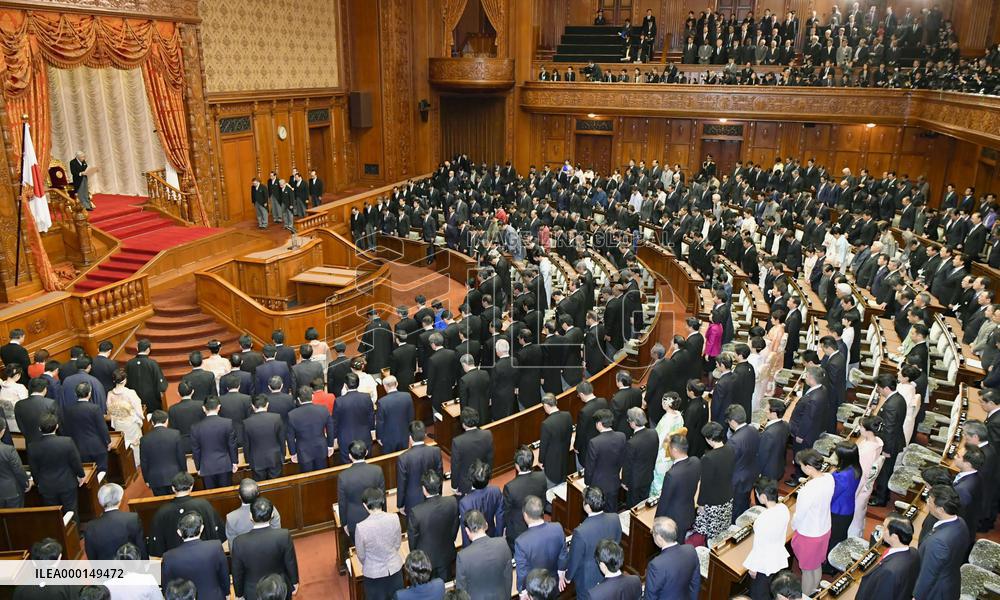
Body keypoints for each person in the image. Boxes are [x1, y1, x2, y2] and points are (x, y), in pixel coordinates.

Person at [558, 487, 622, 600]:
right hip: (610, 570)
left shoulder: (580, 532)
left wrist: (568, 577)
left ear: (587, 506)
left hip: (588, 580)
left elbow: (574, 559)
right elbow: (617, 542)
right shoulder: (615, 518)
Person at [231, 498, 299, 600]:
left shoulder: (239, 542)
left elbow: (237, 572)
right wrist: (294, 582)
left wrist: (239, 594)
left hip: (252, 591)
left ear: (250, 516)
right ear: (272, 515)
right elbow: (290, 562)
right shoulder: (283, 535)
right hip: (280, 588)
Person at [790, 449, 834, 595]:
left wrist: (793, 525)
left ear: (808, 468)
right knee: (816, 565)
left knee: (807, 571)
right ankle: (814, 592)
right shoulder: (829, 478)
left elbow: (800, 515)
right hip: (824, 529)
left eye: (801, 465)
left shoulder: (807, 490)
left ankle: (805, 595)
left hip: (809, 534)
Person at [148, 472, 225, 556]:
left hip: (175, 559)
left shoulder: (162, 511)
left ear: (173, 488)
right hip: (204, 555)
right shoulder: (204, 504)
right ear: (191, 487)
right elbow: (217, 532)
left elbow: (157, 546)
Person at [914, 485, 969, 600]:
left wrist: (916, 596)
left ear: (940, 510)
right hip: (951, 581)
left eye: (930, 501)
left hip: (936, 592)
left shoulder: (938, 542)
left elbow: (928, 575)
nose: (927, 502)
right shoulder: (961, 522)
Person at [161, 512, 230, 600]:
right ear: (202, 528)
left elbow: (167, 587)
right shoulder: (215, 546)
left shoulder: (168, 557)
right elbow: (224, 574)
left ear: (179, 532)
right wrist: (227, 593)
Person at [27, 413, 84, 517]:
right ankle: (75, 533)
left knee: (54, 516)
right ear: (57, 426)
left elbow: (34, 469)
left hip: (47, 486)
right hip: (67, 483)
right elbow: (75, 461)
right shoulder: (67, 442)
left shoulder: (32, 446)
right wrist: (81, 475)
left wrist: (37, 482)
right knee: (71, 512)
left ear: (39, 428)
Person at [408, 470, 460, 582]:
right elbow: (455, 527)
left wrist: (416, 557)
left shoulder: (416, 512)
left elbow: (413, 541)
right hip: (446, 554)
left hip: (426, 561)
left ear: (424, 489)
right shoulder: (452, 502)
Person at [743, 478, 790, 600]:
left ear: (763, 497)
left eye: (757, 494)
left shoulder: (763, 519)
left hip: (764, 565)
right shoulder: (784, 508)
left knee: (758, 595)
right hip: (778, 558)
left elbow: (759, 546)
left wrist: (753, 568)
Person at [355, 487, 404, 600]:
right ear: (383, 501)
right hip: (395, 570)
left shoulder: (361, 527)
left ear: (365, 505)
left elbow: (361, 555)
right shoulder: (394, 518)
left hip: (373, 575)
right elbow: (397, 543)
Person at [855, 516, 920, 600]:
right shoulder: (914, 552)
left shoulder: (889, 571)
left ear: (894, 537)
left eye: (885, 529)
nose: (882, 531)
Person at [691, 422, 734, 545]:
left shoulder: (708, 458)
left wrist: (700, 504)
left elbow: (705, 484)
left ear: (710, 439)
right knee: (721, 531)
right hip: (727, 496)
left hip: (713, 502)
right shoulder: (730, 449)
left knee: (709, 535)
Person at [455, 510, 514, 600]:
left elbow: (461, 590)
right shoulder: (503, 543)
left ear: (467, 530)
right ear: (486, 525)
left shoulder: (463, 557)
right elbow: (508, 577)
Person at [514, 495, 564, 594]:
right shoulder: (557, 528)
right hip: (554, 584)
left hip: (535, 590)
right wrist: (561, 571)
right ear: (542, 512)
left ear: (525, 515)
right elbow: (563, 555)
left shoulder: (521, 542)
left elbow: (522, 572)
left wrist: (522, 591)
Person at [84, 483, 146, 560]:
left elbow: (91, 557)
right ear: (120, 500)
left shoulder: (90, 527)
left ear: (100, 502)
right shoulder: (132, 518)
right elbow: (141, 547)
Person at [643, 517, 701, 600]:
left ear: (659, 538)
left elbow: (650, 596)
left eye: (653, 533)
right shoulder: (691, 550)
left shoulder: (656, 565)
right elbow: (695, 583)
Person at [339, 441, 385, 539]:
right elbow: (382, 495)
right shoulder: (377, 470)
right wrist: (383, 514)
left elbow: (342, 503)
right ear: (367, 452)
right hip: (375, 515)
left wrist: (344, 523)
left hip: (354, 520)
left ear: (350, 456)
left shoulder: (343, 476)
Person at [502, 446, 547, 548]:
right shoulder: (541, 477)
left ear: (517, 466)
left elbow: (506, 513)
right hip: (537, 521)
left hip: (517, 532)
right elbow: (542, 501)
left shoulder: (510, 487)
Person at [396, 420, 443, 516]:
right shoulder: (435, 451)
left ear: (410, 437)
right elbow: (439, 475)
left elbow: (402, 483)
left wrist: (400, 504)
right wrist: (438, 494)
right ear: (425, 435)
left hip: (412, 501)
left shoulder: (403, 458)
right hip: (432, 495)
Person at [190, 397, 237, 489]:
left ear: (204, 408)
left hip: (206, 467)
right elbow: (232, 445)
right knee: (226, 494)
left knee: (211, 496)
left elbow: (196, 450)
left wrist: (198, 467)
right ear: (219, 407)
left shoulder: (195, 427)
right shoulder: (227, 423)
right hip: (224, 465)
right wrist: (234, 462)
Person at [584, 409, 626, 512]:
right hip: (614, 482)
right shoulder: (621, 436)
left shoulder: (594, 442)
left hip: (598, 487)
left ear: (599, 424)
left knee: (597, 513)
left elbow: (590, 466)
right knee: (612, 511)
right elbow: (623, 458)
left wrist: (587, 483)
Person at [827, 441, 862, 564]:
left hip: (837, 512)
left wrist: (830, 476)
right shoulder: (856, 467)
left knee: (833, 540)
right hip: (848, 509)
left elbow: (831, 494)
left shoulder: (842, 476)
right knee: (840, 537)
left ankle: (829, 566)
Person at [850, 416, 885, 537]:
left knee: (855, 515)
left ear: (867, 430)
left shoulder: (867, 450)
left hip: (860, 488)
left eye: (861, 427)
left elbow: (862, 475)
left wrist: (853, 494)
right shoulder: (877, 441)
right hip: (867, 487)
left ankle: (852, 537)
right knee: (860, 511)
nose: (859, 428)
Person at [287, 385, 334, 472]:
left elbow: (290, 436)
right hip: (321, 448)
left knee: (307, 480)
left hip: (303, 451)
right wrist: (330, 446)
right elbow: (330, 428)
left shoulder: (292, 415)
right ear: (312, 396)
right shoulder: (323, 410)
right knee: (322, 476)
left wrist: (293, 453)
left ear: (298, 399)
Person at [726, 404, 760, 521]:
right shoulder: (753, 430)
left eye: (729, 421)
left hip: (737, 479)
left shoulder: (734, 441)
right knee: (745, 503)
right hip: (751, 473)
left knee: (736, 509)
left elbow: (729, 463)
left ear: (733, 421)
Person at [139, 410, 185, 496]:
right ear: (167, 420)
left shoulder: (144, 439)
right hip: (175, 476)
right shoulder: (175, 434)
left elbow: (144, 462)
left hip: (155, 478)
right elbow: (181, 456)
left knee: (161, 505)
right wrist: (184, 472)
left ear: (152, 422)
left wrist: (147, 480)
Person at [226, 478, 282, 548]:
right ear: (258, 493)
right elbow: (277, 534)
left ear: (239, 496)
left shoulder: (231, 518)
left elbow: (233, 546)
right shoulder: (270, 508)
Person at [458, 459, 503, 546]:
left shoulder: (465, 502)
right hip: (492, 534)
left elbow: (465, 530)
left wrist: (467, 550)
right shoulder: (496, 491)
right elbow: (500, 517)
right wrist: (498, 538)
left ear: (471, 478)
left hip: (474, 542)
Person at [649, 392, 685, 499]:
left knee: (658, 481)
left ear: (668, 404)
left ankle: (656, 500)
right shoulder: (679, 415)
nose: (661, 403)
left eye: (663, 401)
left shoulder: (666, 420)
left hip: (663, 454)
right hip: (673, 452)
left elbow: (659, 440)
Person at [451, 407, 494, 496]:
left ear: (463, 424)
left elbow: (455, 466)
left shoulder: (457, 441)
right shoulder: (487, 434)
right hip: (482, 478)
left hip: (465, 485)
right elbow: (490, 459)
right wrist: (487, 477)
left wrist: (454, 486)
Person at [332, 373, 375, 461]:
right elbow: (371, 416)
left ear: (345, 386)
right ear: (358, 384)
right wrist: (372, 431)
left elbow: (335, 422)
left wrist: (335, 438)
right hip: (364, 436)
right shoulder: (366, 397)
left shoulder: (339, 401)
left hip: (345, 439)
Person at [243, 394, 287, 480]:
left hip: (256, 460)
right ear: (267, 404)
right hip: (275, 458)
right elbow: (282, 439)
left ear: (252, 406)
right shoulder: (276, 418)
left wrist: (248, 460)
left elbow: (246, 444)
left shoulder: (246, 423)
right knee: (276, 486)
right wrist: (283, 455)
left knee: (260, 487)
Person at [106, 369, 143, 463]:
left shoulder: (110, 394)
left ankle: (128, 465)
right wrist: (140, 417)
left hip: (118, 423)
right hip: (130, 422)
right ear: (124, 380)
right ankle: (137, 462)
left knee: (123, 444)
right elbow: (138, 408)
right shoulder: (130, 393)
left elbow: (109, 409)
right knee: (135, 443)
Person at [622, 407, 657, 507]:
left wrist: (624, 482)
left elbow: (627, 465)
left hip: (634, 482)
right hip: (648, 476)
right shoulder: (653, 433)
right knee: (643, 506)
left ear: (633, 422)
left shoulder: (632, 443)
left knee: (633, 507)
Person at [538, 393, 572, 488]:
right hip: (564, 457)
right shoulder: (567, 415)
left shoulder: (546, 424)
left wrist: (540, 461)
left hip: (551, 464)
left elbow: (544, 445)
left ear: (546, 406)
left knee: (550, 489)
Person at [125, 339, 167, 413]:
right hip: (151, 399)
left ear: (137, 349)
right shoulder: (152, 363)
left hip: (134, 398)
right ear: (148, 350)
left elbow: (126, 381)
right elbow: (160, 383)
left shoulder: (129, 363)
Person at [375, 375, 414, 454]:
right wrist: (410, 433)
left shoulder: (382, 402)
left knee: (390, 462)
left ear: (385, 386)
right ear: (397, 384)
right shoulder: (407, 396)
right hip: (404, 434)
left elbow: (380, 422)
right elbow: (411, 416)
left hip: (388, 438)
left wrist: (378, 437)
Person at [758, 399, 790, 481]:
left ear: (774, 413)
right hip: (778, 467)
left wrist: (757, 472)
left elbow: (762, 456)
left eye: (767, 409)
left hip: (767, 472)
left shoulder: (769, 434)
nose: (765, 410)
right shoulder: (786, 425)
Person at [0, 421, 28, 507]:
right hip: (11, 493)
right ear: (3, 431)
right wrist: (26, 483)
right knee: (16, 519)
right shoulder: (8, 450)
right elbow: (18, 471)